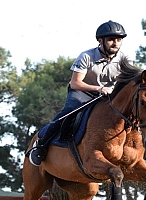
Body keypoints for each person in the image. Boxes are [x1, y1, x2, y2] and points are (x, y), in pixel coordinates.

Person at [28, 20, 131, 166]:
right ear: (100, 41)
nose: (115, 43)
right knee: (70, 111)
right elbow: (76, 83)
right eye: (111, 40)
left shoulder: (124, 60)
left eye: (119, 40)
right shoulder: (86, 56)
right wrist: (99, 89)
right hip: (83, 92)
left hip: (107, 96)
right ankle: (41, 144)